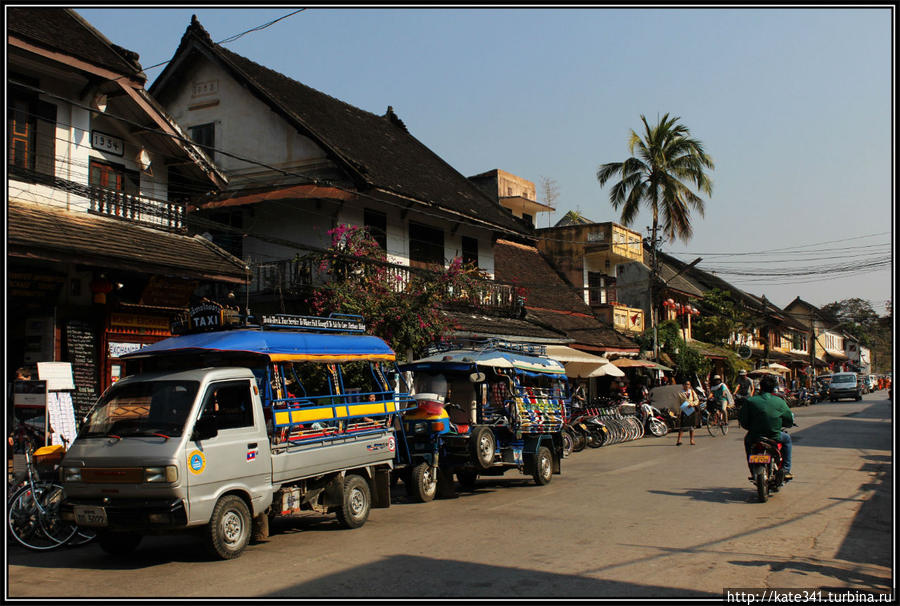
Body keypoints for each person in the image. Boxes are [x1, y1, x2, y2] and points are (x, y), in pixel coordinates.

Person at [739, 374, 794, 480]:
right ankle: (786, 469)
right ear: (774, 387)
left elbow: (743, 420)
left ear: (761, 386)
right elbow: (789, 420)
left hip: (755, 436)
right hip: (774, 436)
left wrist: (751, 428)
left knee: (748, 442)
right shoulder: (780, 401)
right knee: (787, 439)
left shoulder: (751, 401)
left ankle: (752, 468)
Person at [675, 380, 701, 446]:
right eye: (686, 384)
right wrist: (678, 412)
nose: (687, 386)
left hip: (691, 410)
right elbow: (678, 403)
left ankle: (692, 440)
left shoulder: (692, 392)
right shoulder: (680, 393)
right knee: (682, 426)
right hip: (684, 410)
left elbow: (696, 400)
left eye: (688, 384)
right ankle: (679, 440)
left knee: (691, 426)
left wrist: (692, 404)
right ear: (683, 385)